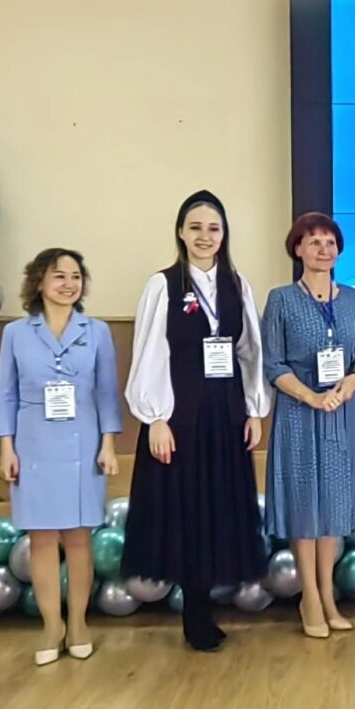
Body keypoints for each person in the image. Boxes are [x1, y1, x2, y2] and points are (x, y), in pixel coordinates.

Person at [123, 190, 271, 653]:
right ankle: (194, 614)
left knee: (218, 509)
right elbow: (150, 352)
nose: (205, 236)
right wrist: (156, 419)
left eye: (214, 228)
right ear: (181, 233)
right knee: (185, 512)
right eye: (196, 228)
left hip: (225, 416)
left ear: (224, 235)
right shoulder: (163, 285)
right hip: (180, 419)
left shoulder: (237, 285)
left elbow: (250, 352)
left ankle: (206, 606)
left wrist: (254, 409)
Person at [0, 247, 121, 665]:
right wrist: (6, 446)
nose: (69, 284)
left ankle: (79, 622)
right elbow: (6, 393)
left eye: (75, 276)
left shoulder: (97, 331)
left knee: (79, 536)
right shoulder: (16, 333)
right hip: (32, 443)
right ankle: (52, 626)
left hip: (83, 440)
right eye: (59, 276)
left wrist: (108, 443)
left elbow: (107, 392)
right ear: (39, 282)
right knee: (42, 537)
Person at [260, 212, 355, 640]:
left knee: (332, 505)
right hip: (299, 412)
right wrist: (311, 397)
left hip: (343, 412)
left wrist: (351, 382)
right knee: (304, 503)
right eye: (314, 242)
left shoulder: (353, 299)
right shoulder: (281, 300)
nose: (323, 250)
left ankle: (328, 594)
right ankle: (308, 596)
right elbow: (273, 364)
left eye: (330, 243)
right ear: (298, 250)